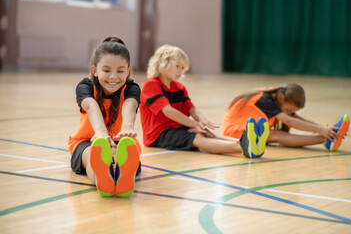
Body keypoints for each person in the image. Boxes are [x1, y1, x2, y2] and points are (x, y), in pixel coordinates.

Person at [139, 44, 268, 158]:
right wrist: (193, 124)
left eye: (182, 68)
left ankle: (250, 142)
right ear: (163, 64)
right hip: (157, 135)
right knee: (198, 138)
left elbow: (192, 109)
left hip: (176, 127)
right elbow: (168, 111)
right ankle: (243, 147)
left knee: (207, 133)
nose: (180, 71)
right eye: (177, 66)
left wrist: (202, 120)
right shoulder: (151, 85)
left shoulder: (179, 87)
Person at [68, 36, 141, 198]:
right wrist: (100, 132)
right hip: (87, 141)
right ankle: (102, 179)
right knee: (92, 154)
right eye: (106, 70)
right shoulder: (85, 86)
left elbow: (130, 106)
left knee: (122, 152)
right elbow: (91, 106)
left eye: (120, 71)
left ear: (128, 71)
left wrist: (127, 129)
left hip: (121, 140)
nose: (113, 76)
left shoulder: (132, 88)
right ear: (95, 70)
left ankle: (123, 176)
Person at [222, 83, 350, 152]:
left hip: (246, 129)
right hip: (235, 133)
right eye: (288, 110)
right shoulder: (265, 100)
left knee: (274, 134)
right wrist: (322, 132)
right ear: (282, 98)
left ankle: (327, 139)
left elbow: (297, 118)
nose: (289, 112)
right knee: (275, 135)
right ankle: (323, 140)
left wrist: (324, 129)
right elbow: (289, 121)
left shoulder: (276, 96)